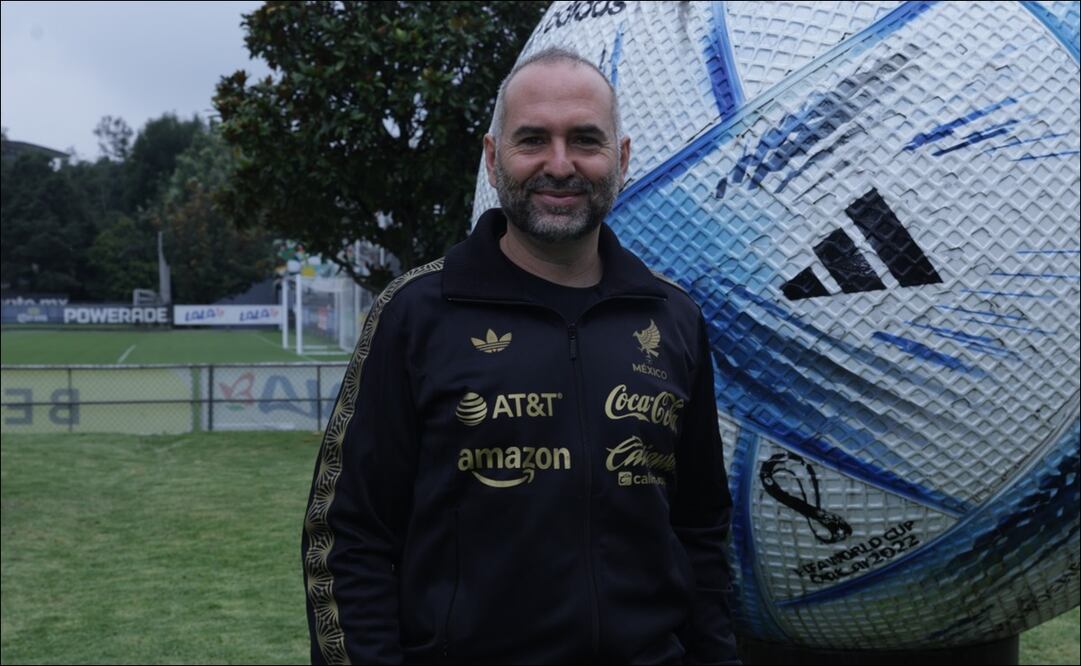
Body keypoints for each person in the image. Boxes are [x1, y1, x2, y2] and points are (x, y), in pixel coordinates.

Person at [302, 46, 739, 665]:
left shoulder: (671, 318)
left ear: (621, 158)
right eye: (532, 139)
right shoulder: (418, 313)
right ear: (492, 157)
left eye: (584, 140)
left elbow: (699, 530)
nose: (559, 165)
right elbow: (346, 538)